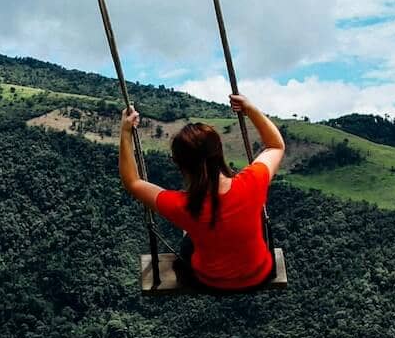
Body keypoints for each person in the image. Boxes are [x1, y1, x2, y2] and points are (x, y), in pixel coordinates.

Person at [120, 94, 285, 290]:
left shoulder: (182, 206)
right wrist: (250, 109)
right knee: (251, 223)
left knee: (188, 241)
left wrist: (125, 131)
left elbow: (133, 182)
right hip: (259, 273)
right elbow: (276, 146)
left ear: (179, 164)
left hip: (210, 280)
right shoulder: (252, 182)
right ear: (220, 152)